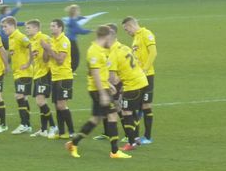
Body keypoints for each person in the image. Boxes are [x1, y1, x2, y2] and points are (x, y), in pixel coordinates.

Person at [64, 26, 131, 160]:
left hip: (101, 88)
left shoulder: (99, 50)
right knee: (112, 116)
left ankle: (74, 143)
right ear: (106, 37)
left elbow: (100, 72)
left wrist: (109, 85)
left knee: (95, 119)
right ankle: (114, 151)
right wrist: (103, 93)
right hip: (97, 90)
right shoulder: (94, 51)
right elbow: (94, 73)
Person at [107, 23, 148, 152]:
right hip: (142, 81)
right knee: (130, 111)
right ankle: (135, 139)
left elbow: (113, 79)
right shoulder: (124, 47)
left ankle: (132, 142)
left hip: (133, 85)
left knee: (126, 112)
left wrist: (103, 81)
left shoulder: (113, 54)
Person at [122, 16, 157, 144]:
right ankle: (135, 136)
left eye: (126, 30)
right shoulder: (135, 38)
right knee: (136, 106)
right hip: (137, 77)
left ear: (131, 25)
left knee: (146, 105)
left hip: (147, 75)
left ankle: (147, 137)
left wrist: (145, 69)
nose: (127, 32)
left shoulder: (146, 34)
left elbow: (153, 52)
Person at [41, 19, 74, 139]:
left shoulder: (64, 41)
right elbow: (45, 59)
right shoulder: (52, 41)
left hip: (64, 77)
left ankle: (71, 131)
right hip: (54, 77)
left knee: (61, 105)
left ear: (60, 28)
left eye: (54, 26)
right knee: (56, 105)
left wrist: (49, 49)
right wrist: (45, 49)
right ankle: (61, 132)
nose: (51, 28)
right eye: (50, 26)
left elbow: (60, 60)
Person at [1, 16, 33, 134]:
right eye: (3, 27)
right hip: (18, 73)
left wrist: (29, 63)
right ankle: (27, 124)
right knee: (23, 97)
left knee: (19, 96)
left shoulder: (19, 36)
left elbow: (31, 45)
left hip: (24, 73)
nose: (4, 29)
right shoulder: (11, 38)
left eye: (5, 26)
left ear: (12, 26)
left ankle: (24, 124)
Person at [25, 19, 56, 138]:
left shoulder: (44, 38)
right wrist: (28, 64)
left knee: (40, 101)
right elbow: (33, 56)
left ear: (36, 28)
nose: (26, 30)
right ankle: (43, 129)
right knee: (40, 103)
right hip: (37, 73)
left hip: (45, 73)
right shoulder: (32, 41)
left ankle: (53, 126)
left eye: (28, 28)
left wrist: (46, 49)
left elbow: (47, 58)